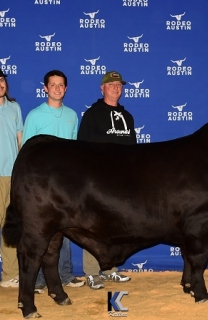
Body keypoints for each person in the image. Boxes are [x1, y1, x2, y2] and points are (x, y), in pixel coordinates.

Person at [22, 70, 85, 293]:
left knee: (65, 229)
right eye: (53, 84)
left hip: (66, 184)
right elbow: (26, 152)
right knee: (40, 230)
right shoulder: (35, 115)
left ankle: (65, 274)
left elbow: (74, 149)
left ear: (66, 89)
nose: (57, 88)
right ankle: (38, 279)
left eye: (61, 85)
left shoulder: (72, 115)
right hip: (41, 186)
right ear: (45, 88)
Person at [77, 70, 135, 289]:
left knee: (115, 225)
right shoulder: (92, 114)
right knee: (93, 225)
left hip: (120, 181)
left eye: (119, 85)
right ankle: (92, 272)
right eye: (111, 85)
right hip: (97, 180)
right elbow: (81, 148)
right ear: (102, 89)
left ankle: (109, 268)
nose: (115, 88)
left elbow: (133, 152)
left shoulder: (127, 117)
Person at [0, 70, 23, 288]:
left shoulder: (15, 108)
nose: (0, 84)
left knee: (10, 226)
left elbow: (20, 142)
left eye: (1, 79)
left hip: (12, 176)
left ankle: (9, 275)